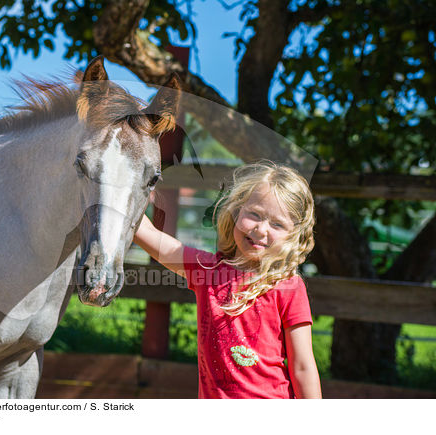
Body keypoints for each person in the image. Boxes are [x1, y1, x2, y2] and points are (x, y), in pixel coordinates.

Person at [133, 161, 322, 399]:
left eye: (277, 224)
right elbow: (149, 235)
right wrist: (114, 197)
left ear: (293, 235)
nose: (261, 229)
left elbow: (303, 367)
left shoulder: (288, 286)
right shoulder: (207, 271)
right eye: (254, 214)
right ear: (236, 211)